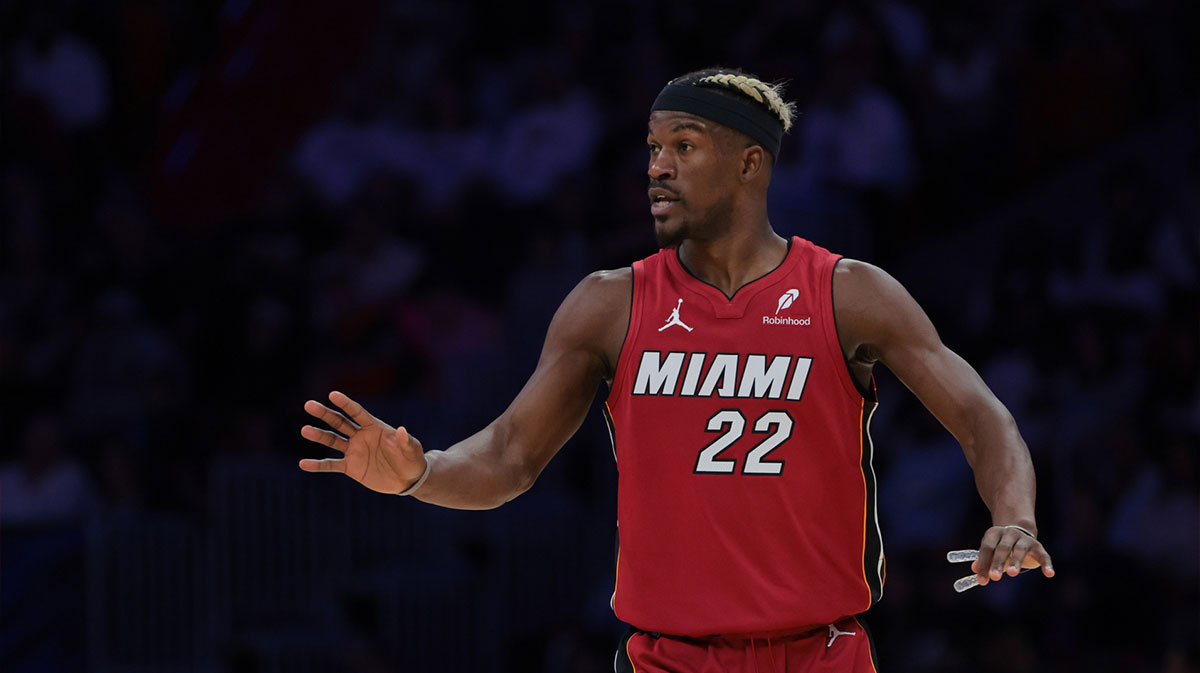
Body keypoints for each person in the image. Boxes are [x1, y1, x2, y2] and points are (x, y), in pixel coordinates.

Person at [299, 67, 1055, 672]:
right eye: (653, 149)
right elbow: (507, 455)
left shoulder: (848, 292)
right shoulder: (608, 302)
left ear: (750, 162)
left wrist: (1014, 515)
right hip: (668, 657)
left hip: (818, 652)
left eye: (683, 147)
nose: (657, 168)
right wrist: (420, 473)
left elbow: (984, 417)